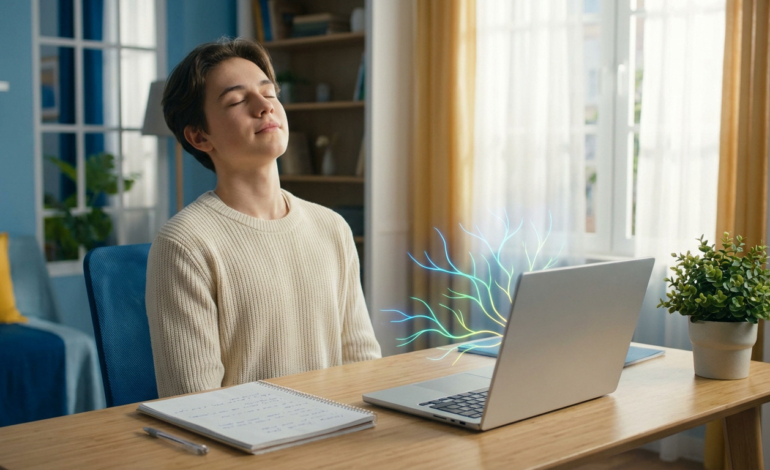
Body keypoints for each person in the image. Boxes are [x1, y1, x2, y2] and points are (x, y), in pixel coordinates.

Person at [146, 38, 381, 398]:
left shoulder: (331, 227)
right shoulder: (185, 244)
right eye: (238, 100)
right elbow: (194, 403)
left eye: (270, 94)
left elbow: (363, 366)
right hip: (246, 448)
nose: (264, 107)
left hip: (340, 439)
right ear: (199, 135)